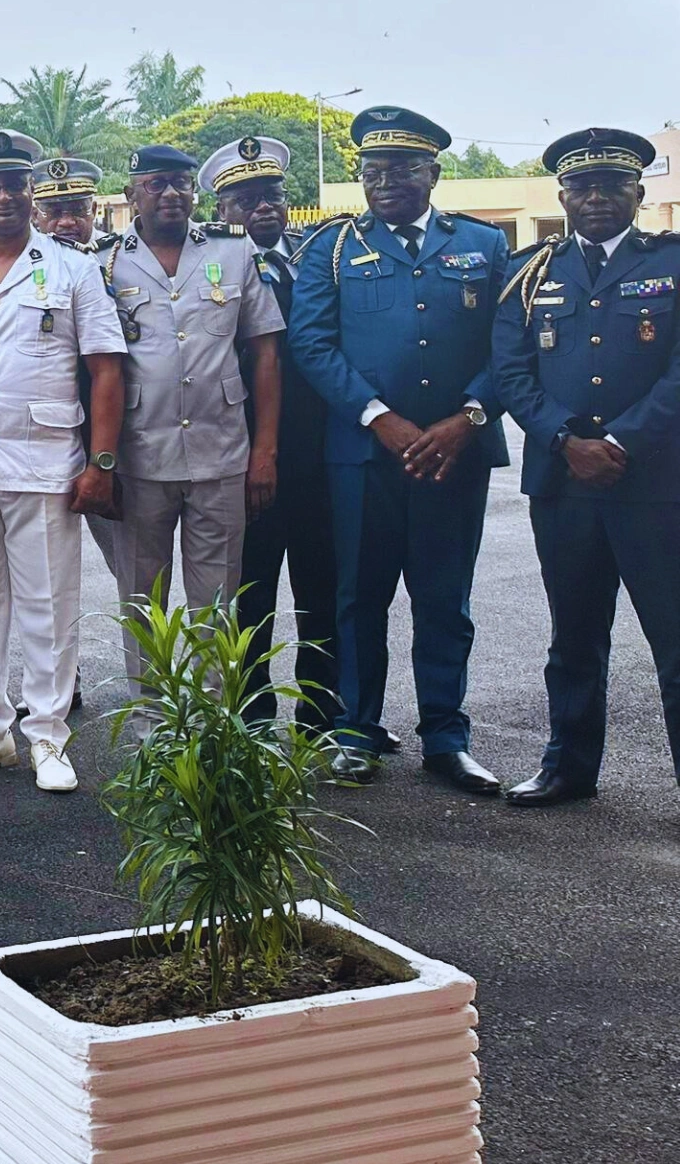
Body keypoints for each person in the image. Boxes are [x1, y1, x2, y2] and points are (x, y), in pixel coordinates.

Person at [290, 107, 507, 794]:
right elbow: (312, 344)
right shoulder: (330, 248)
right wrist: (379, 417)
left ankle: (446, 737)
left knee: (446, 599)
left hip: (455, 454)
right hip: (364, 456)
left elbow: (511, 346)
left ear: (434, 173)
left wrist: (467, 417)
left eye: (403, 168)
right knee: (360, 598)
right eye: (373, 170)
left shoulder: (484, 244)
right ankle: (355, 732)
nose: (385, 182)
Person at [493, 129, 680, 807]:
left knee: (675, 640)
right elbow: (511, 372)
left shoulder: (672, 262)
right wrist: (565, 438)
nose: (597, 197)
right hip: (563, 484)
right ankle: (568, 767)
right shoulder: (529, 271)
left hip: (656, 484)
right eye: (583, 186)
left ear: (639, 192)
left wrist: (622, 440)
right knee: (573, 635)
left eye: (613, 184)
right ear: (562, 195)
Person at [0, 131, 125, 793]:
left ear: (31, 192)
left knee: (48, 606)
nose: (4, 196)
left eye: (15, 184)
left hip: (45, 461)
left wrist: (101, 461)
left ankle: (47, 737)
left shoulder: (72, 269)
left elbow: (106, 369)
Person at [88, 145, 284, 690]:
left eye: (180, 183)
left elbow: (265, 352)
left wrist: (263, 452)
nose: (171, 194)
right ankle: (155, 726)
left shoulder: (235, 252)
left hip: (222, 454)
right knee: (142, 602)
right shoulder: (101, 261)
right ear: (132, 195)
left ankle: (210, 729)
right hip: (138, 457)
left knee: (216, 602)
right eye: (156, 184)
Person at [206, 137, 345, 730]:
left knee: (325, 590)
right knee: (251, 598)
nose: (263, 208)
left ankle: (323, 714)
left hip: (320, 454)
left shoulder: (325, 255)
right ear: (222, 212)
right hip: (244, 454)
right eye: (246, 200)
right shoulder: (207, 264)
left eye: (272, 196)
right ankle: (253, 717)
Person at [31, 157, 111, 249]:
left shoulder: (116, 253)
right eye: (54, 213)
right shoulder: (22, 257)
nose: (66, 222)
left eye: (78, 211)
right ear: (35, 215)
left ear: (93, 210)